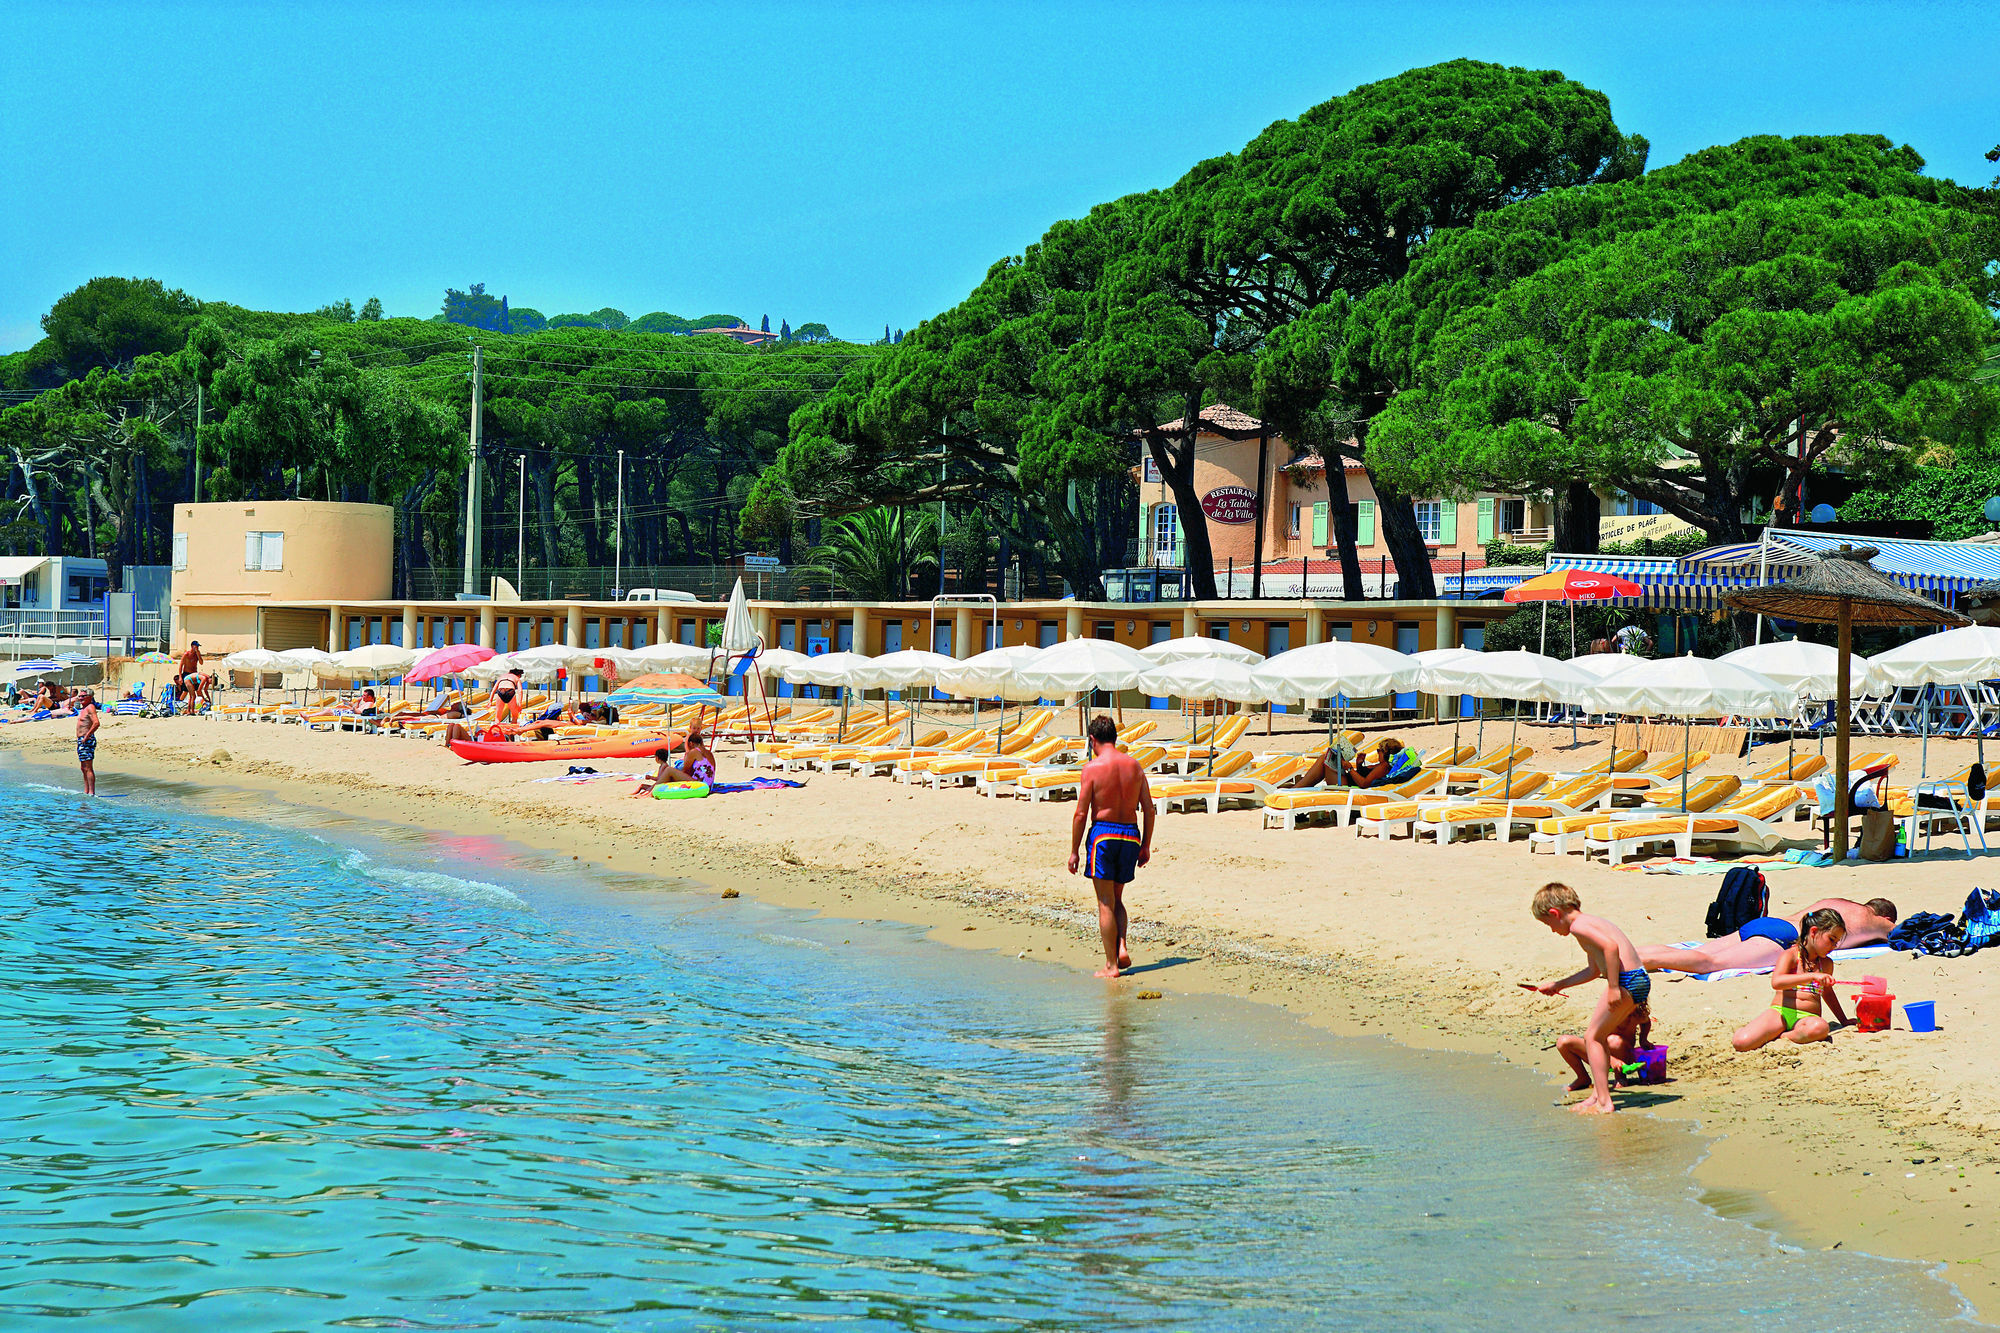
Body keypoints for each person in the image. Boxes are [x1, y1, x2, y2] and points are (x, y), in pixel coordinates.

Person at [1524, 882, 1647, 1115]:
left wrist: (1612, 987)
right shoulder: (1589, 923)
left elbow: (1611, 948)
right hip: (1637, 979)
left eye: (1548, 924)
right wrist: (1558, 984)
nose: (1552, 930)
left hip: (1626, 981)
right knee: (1596, 1036)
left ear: (1555, 913)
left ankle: (1604, 1102)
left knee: (1593, 1037)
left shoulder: (1579, 927)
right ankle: (1597, 1095)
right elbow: (1593, 971)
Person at [1068, 714, 1157, 979]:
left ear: (1092, 739)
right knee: (1117, 898)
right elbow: (1150, 810)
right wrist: (1146, 845)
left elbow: (1081, 814)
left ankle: (1111, 966)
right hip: (1131, 834)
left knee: (1105, 902)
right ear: (1115, 738)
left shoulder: (1092, 768)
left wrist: (1074, 850)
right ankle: (1121, 946)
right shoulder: (1135, 766)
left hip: (1104, 835)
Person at [1639, 898, 1896, 976]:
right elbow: (1902, 933)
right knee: (1708, 963)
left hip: (1768, 922)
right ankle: (1647, 962)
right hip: (1783, 937)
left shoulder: (1838, 903)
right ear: (1885, 916)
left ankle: (1634, 954)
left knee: (1699, 951)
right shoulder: (1873, 921)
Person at [1732, 908, 1851, 1051]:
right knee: (1741, 1042)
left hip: (1807, 1018)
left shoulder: (1825, 964)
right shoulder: (1791, 955)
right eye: (1831, 939)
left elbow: (1828, 993)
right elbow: (1777, 982)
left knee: (1820, 1028)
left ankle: (1783, 1036)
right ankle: (1764, 1030)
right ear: (1813, 932)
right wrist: (1812, 976)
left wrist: (1843, 1020)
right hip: (1781, 1012)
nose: (1833, 946)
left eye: (1836, 942)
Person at [1557, 1001, 1652, 1093]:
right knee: (1563, 1042)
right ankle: (1583, 1078)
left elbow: (1646, 1022)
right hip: (1600, 1056)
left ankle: (1620, 1076)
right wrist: (1611, 1060)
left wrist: (1643, 1039)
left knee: (1615, 1041)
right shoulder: (1608, 1015)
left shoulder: (1637, 1014)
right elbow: (1590, 1040)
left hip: (1624, 1059)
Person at [1291, 736, 1409, 790]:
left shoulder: (1384, 767)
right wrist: (1359, 764)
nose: (1377, 753)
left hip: (1346, 787)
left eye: (1379, 751)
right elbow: (1366, 775)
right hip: (1348, 782)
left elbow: (1364, 784)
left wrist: (1350, 769)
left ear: (1387, 753)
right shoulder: (1382, 766)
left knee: (1324, 759)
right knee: (1326, 758)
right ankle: (1297, 789)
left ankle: (1295, 790)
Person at [74, 689, 100, 797]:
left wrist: (87, 735)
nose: (80, 698)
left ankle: (91, 792)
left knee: (88, 767)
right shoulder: (83, 709)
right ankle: (86, 791)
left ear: (89, 697)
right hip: (81, 740)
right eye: (79, 696)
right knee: (83, 767)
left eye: (83, 696)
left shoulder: (90, 707)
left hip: (87, 740)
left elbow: (96, 723)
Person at [175, 641, 209, 713]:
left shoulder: (197, 655)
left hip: (194, 674)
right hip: (186, 674)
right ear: (192, 646)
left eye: (198, 647)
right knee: (185, 691)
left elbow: (201, 662)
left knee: (197, 691)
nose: (197, 648)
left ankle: (204, 703)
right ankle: (178, 704)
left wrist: (198, 653)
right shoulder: (186, 654)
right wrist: (180, 677)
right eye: (196, 646)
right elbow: (181, 666)